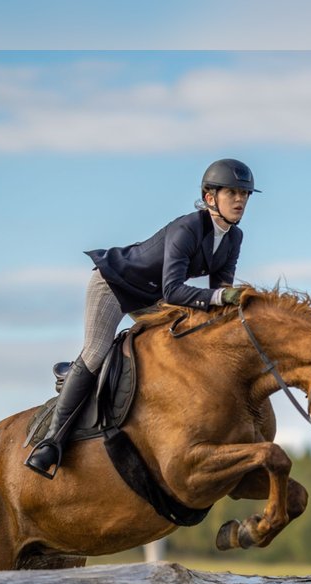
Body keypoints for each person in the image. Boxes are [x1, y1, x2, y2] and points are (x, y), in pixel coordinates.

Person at [26, 159, 260, 478]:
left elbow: (220, 292)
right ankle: (51, 443)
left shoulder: (234, 238)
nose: (240, 200)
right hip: (114, 284)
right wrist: (221, 298)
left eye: (245, 194)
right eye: (232, 192)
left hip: (151, 296)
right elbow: (175, 290)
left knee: (184, 339)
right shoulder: (188, 227)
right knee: (95, 352)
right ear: (209, 198)